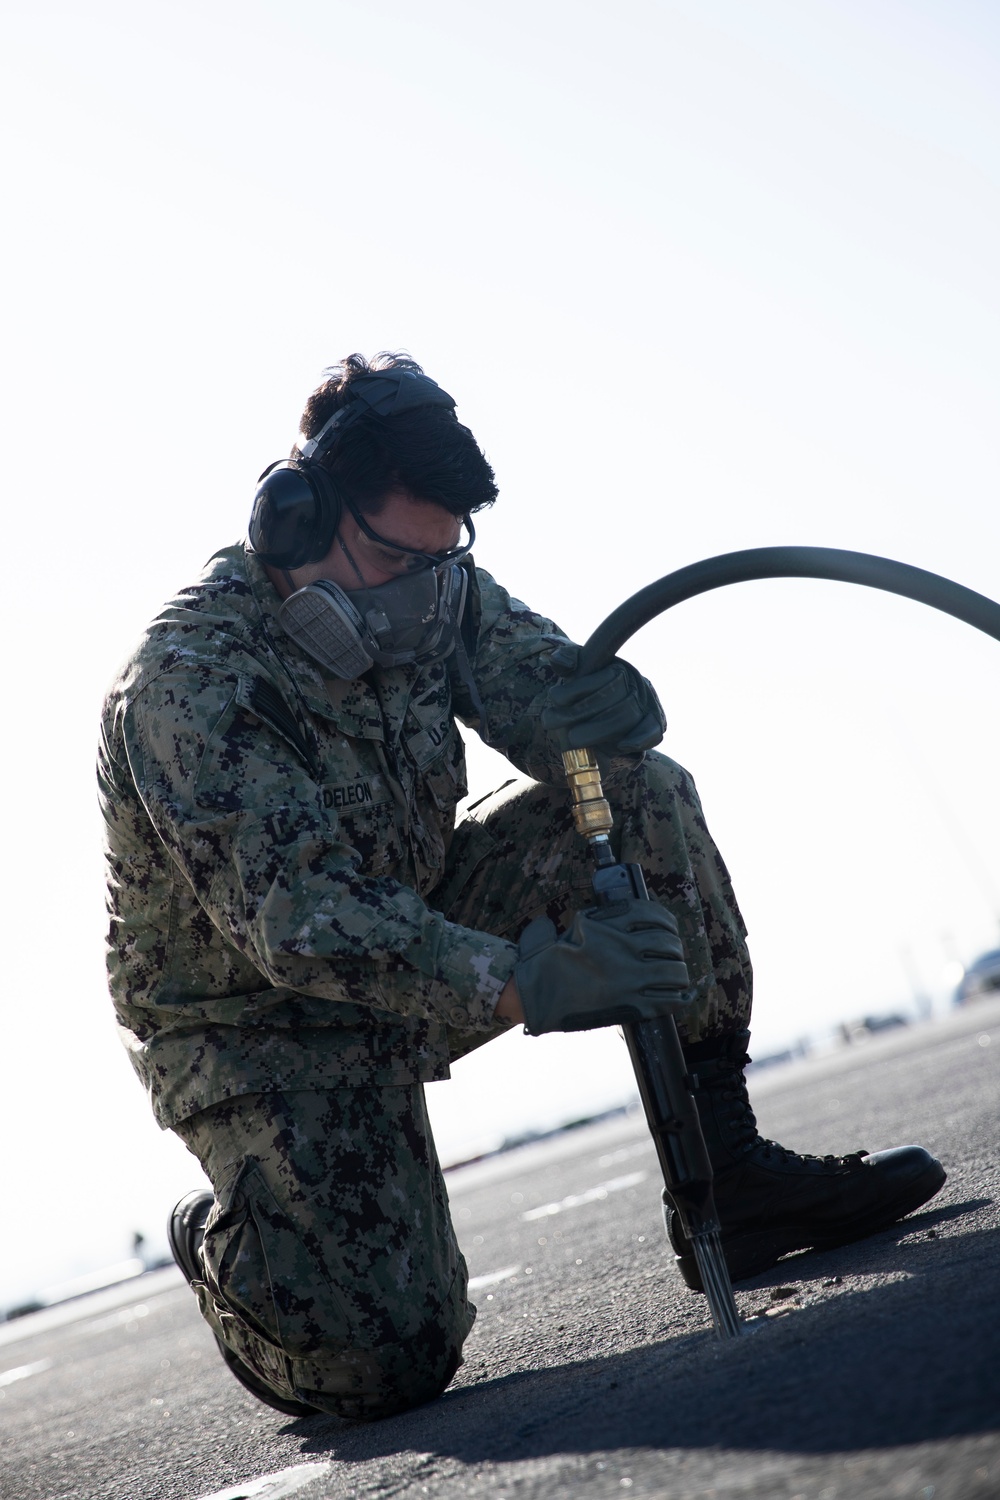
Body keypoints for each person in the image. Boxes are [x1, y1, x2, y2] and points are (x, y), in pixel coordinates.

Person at [98, 352, 944, 1422]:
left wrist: (600, 711)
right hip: (266, 1027)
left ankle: (729, 1173)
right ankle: (232, 1245)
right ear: (299, 519)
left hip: (423, 916)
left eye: (442, 558)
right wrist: (527, 980)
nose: (421, 591)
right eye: (399, 558)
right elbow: (301, 921)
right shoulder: (191, 679)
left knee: (638, 793)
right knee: (384, 1367)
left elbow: (548, 704)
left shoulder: (433, 590)